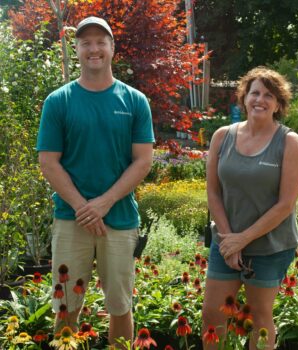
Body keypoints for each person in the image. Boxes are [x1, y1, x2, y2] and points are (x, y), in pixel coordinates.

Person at [36, 16, 154, 348]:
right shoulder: (58, 101)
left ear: (112, 49)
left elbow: (143, 161)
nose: (94, 49)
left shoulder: (134, 101)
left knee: (120, 306)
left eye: (101, 42)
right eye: (85, 42)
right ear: (76, 50)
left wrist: (103, 203)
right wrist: (82, 207)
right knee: (65, 307)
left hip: (119, 219)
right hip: (70, 220)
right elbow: (48, 162)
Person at [202, 66, 298, 350]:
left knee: (259, 319)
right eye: (255, 92)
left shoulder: (288, 142)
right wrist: (229, 240)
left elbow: (286, 204)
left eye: (269, 95)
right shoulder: (222, 137)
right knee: (212, 314)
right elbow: (213, 191)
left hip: (270, 246)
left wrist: (243, 240)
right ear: (244, 98)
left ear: (278, 104)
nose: (260, 99)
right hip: (226, 242)